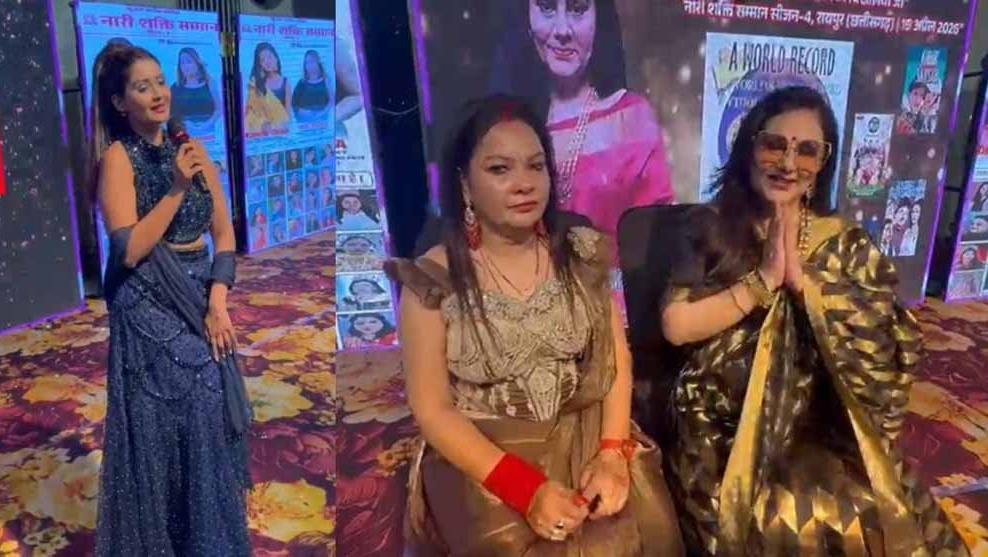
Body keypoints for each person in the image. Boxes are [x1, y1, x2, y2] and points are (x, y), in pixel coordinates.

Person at [660, 86, 965, 555]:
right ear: (749, 147)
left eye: (807, 150)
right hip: (723, 422)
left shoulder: (844, 242)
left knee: (885, 504)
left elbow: (884, 350)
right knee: (784, 515)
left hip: (820, 417)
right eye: (774, 145)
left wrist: (806, 286)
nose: (788, 163)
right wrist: (764, 281)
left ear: (824, 162)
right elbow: (677, 325)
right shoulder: (709, 226)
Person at [384, 95, 682, 556]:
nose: (524, 184)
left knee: (641, 531)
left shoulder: (581, 256)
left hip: (587, 435)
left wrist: (612, 453)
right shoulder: (432, 281)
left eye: (536, 166)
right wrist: (525, 490)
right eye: (500, 169)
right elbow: (433, 410)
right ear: (464, 184)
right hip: (487, 455)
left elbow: (614, 360)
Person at [87, 44, 252, 556]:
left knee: (208, 406)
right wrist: (177, 187)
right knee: (176, 412)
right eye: (143, 87)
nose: (159, 93)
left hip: (198, 291)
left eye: (160, 81)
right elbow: (129, 250)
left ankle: (203, 538)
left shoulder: (192, 148)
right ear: (120, 103)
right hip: (146, 298)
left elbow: (224, 235)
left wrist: (218, 299)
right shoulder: (118, 159)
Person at [490, 0, 674, 266]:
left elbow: (656, 242)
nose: (562, 30)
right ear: (526, 18)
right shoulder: (501, 125)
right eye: (547, 7)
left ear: (599, 20)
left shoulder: (630, 117)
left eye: (577, 9)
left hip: (611, 289)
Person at [170, 47, 222, 135]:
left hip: (208, 132)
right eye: (182, 63)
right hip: (185, 133)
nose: (185, 66)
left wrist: (207, 125)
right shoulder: (175, 87)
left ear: (197, 63)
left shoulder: (210, 83)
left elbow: (219, 108)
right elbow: (170, 114)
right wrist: (183, 125)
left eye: (189, 62)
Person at [244, 42, 290, 133]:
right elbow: (249, 112)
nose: (267, 62)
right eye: (262, 60)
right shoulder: (255, 85)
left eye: (269, 57)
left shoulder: (285, 82)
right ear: (260, 64)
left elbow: (288, 114)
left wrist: (281, 127)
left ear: (276, 58)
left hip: (281, 132)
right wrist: (262, 124)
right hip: (262, 134)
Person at [292, 49, 332, 122]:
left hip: (322, 121)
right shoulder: (302, 82)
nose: (309, 65)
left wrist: (323, 113)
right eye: (306, 63)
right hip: (304, 122)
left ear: (318, 62)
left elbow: (331, 101)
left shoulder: (326, 80)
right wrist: (303, 112)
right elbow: (293, 103)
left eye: (312, 61)